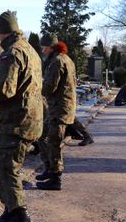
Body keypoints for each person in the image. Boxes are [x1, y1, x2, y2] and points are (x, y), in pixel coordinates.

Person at [0, 10, 43, 222]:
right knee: (10, 166)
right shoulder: (30, 50)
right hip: (31, 119)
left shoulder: (10, 53)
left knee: (6, 168)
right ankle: (11, 211)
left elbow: (5, 89)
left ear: (1, 32)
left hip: (16, 121)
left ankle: (18, 214)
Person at [36, 33, 77, 190]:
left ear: (50, 47)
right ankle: (49, 168)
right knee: (42, 136)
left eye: (44, 47)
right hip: (60, 108)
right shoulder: (65, 59)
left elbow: (50, 87)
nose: (42, 50)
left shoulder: (57, 61)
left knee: (54, 143)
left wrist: (35, 87)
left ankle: (56, 179)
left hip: (60, 109)